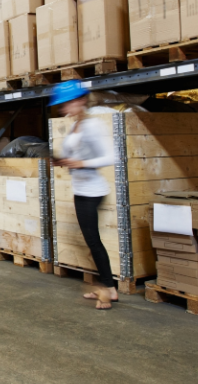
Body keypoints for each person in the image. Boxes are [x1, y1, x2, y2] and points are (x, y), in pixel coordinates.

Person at [50, 80, 117, 310]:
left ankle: (109, 289)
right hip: (81, 191)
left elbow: (111, 157)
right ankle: (110, 287)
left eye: (67, 104)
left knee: (93, 241)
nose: (63, 109)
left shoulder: (93, 126)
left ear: (80, 102)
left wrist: (81, 162)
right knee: (92, 241)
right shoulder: (76, 126)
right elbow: (73, 154)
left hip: (93, 191)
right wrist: (62, 160)